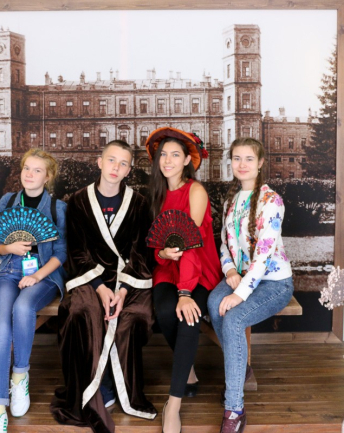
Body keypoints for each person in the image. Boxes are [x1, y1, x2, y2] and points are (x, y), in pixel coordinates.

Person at [50, 140, 157, 433]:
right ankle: (95, 387)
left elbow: (140, 252)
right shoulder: (78, 201)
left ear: (129, 170)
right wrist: (99, 286)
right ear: (99, 162)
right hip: (90, 277)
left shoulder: (139, 203)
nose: (115, 168)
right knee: (80, 312)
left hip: (128, 279)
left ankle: (121, 388)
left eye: (123, 163)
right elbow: (77, 251)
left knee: (134, 317)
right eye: (111, 160)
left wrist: (122, 290)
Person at [208, 137, 293, 433]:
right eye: (237, 158)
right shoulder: (231, 200)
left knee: (233, 320)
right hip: (242, 276)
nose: (242, 164)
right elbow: (224, 243)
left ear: (260, 163)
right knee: (213, 304)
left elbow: (264, 256)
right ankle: (240, 368)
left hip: (273, 283)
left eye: (248, 159)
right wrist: (230, 270)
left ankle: (234, 408)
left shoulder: (272, 201)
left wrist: (240, 294)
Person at [145, 127, 223, 433]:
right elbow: (155, 245)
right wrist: (162, 252)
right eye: (163, 154)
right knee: (164, 310)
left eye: (175, 155)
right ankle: (186, 366)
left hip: (198, 269)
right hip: (168, 267)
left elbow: (191, 242)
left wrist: (186, 292)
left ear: (187, 160)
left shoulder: (195, 191)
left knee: (187, 318)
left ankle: (173, 405)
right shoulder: (156, 193)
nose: (167, 160)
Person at [0, 149, 68, 433]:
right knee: (0, 329)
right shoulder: (8, 201)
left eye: (37, 170)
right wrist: (8, 247)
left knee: (23, 307)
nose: (29, 174)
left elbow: (61, 254)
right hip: (9, 272)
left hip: (43, 274)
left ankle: (20, 376)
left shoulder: (57, 208)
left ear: (48, 177)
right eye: (26, 168)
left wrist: (36, 276)